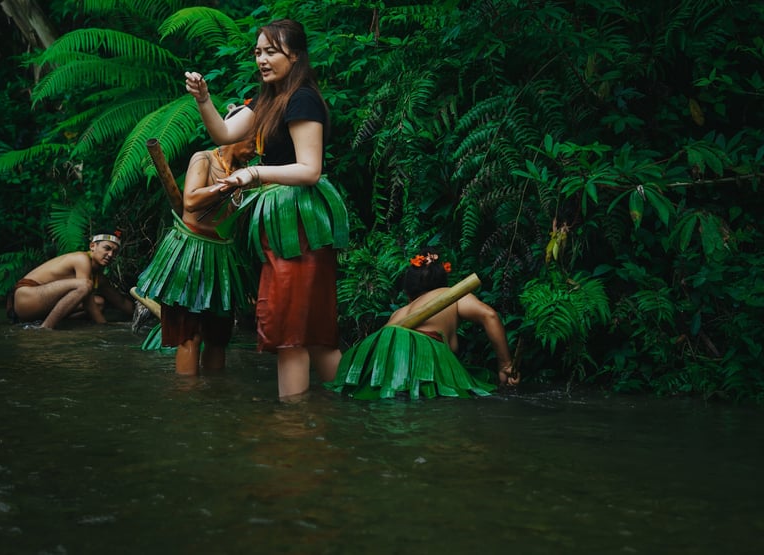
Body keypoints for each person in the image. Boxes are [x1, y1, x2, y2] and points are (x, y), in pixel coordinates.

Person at [184, 19, 349, 398]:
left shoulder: (302, 98)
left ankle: (291, 432)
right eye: (258, 51)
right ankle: (350, 416)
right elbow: (224, 134)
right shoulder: (267, 99)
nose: (261, 58)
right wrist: (204, 99)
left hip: (301, 222)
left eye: (271, 51)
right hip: (282, 221)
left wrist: (252, 174)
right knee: (313, 334)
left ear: (294, 54)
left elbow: (310, 169)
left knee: (293, 332)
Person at [135, 130, 258, 374]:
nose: (257, 149)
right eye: (254, 141)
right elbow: (190, 200)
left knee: (218, 336)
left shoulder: (249, 172)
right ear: (235, 136)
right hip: (191, 251)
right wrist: (228, 185)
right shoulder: (204, 159)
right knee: (189, 334)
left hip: (224, 256)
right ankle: (187, 401)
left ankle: (214, 399)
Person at [326, 249, 520, 400]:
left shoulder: (398, 313)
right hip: (423, 348)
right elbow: (489, 315)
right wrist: (505, 365)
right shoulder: (450, 294)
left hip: (380, 349)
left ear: (409, 294)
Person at [5, 231, 134, 329]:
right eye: (107, 248)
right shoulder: (81, 259)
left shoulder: (99, 277)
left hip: (39, 307)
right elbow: (86, 297)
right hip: (26, 298)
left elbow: (121, 302)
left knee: (99, 303)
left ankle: (49, 322)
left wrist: (143, 311)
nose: (111, 255)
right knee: (84, 285)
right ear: (93, 246)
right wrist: (104, 326)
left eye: (115, 252)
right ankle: (45, 329)